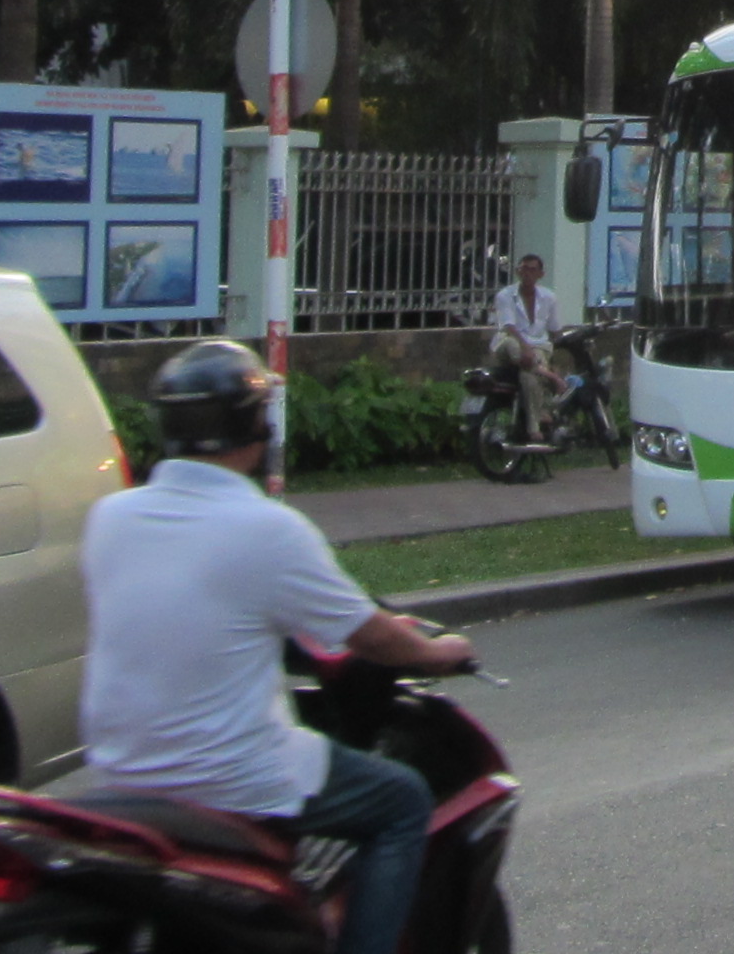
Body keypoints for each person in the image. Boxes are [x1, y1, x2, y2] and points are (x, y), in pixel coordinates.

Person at [86, 342, 475, 954]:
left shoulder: (109, 518)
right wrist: (436, 652)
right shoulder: (268, 529)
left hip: (121, 770)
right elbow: (368, 635)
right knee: (402, 800)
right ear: (253, 425)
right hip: (232, 777)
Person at [483, 251, 573, 442]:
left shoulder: (549, 297)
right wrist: (525, 347)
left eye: (532, 270)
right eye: (524, 269)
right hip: (509, 343)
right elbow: (508, 326)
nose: (527, 274)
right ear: (517, 272)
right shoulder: (505, 295)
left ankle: (534, 428)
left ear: (541, 274)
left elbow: (555, 330)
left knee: (528, 376)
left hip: (536, 351)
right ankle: (551, 376)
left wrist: (562, 350)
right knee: (516, 347)